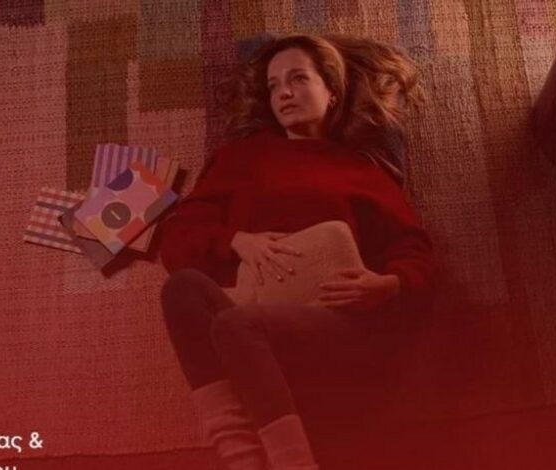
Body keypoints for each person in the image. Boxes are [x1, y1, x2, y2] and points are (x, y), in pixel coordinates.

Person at [158, 33, 436, 470]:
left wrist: (388, 283)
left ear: (332, 91)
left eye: (298, 79)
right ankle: (243, 459)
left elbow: (414, 249)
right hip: (252, 309)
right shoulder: (239, 159)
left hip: (337, 322)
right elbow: (177, 239)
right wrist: (237, 239)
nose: (283, 93)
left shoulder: (362, 170)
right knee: (183, 289)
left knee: (237, 325)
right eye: (273, 86)